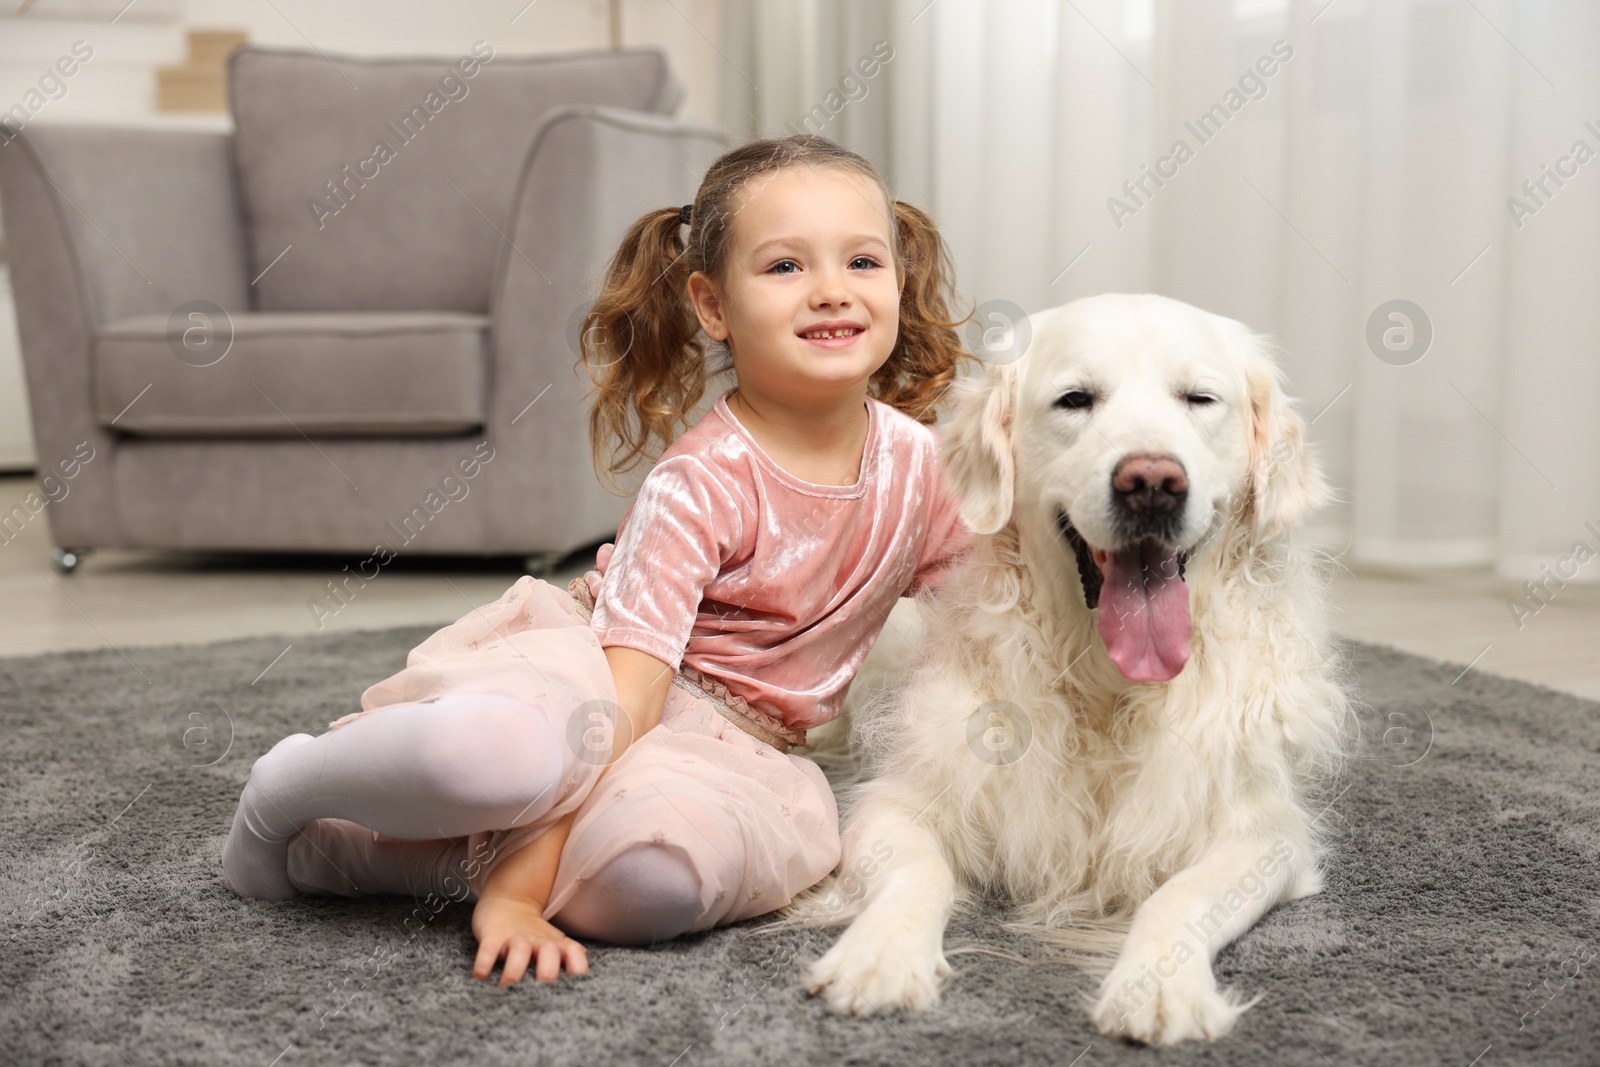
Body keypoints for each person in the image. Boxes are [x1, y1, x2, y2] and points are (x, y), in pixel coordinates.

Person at [219, 133, 978, 988]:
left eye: (863, 261)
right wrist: (512, 901)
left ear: (898, 281)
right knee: (498, 757)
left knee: (655, 882)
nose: (833, 291)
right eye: (785, 268)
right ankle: (289, 788)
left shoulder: (926, 471)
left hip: (741, 748)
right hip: (599, 686)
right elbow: (615, 713)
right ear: (712, 304)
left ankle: (377, 859)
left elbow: (1000, 605)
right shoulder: (701, 479)